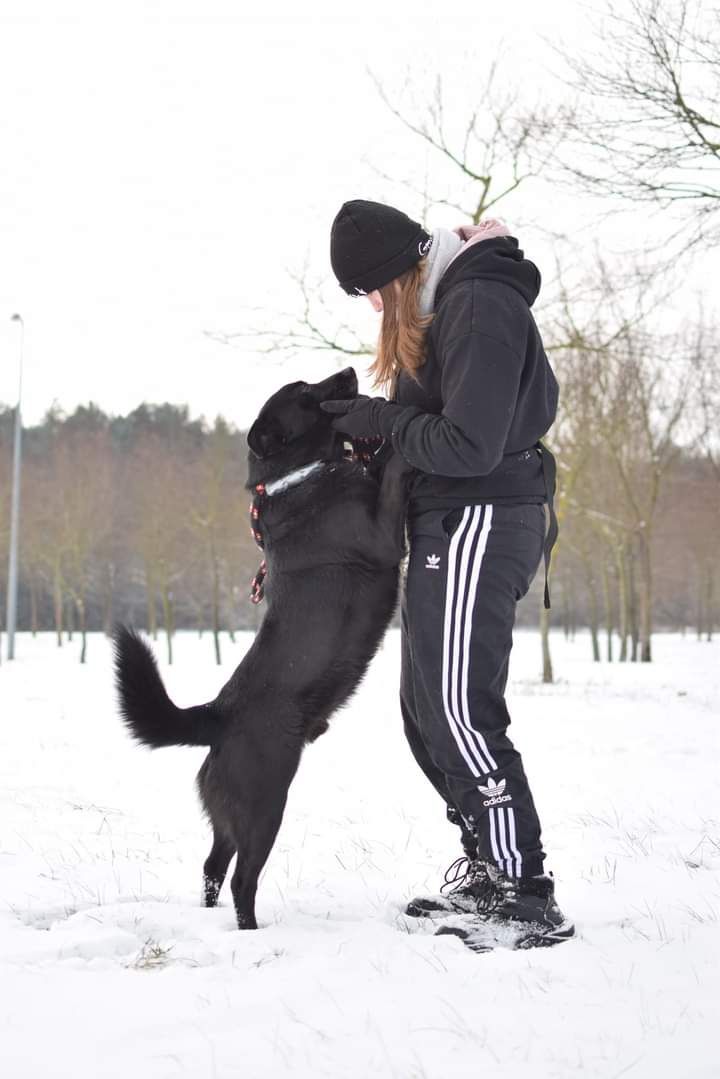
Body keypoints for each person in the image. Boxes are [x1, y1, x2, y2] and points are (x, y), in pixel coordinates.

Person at [322, 199, 574, 950]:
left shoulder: (478, 303)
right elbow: (430, 428)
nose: (371, 305)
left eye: (370, 288)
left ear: (401, 270)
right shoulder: (444, 306)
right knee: (424, 707)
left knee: (458, 706)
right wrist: (367, 437)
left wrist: (387, 423)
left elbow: (470, 444)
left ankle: (524, 890)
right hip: (447, 520)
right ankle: (489, 869)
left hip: (482, 519)